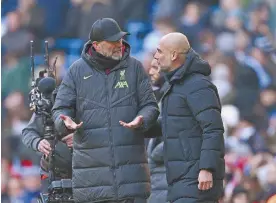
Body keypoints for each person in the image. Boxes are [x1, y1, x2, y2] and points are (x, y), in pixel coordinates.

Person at [52, 18, 159, 203]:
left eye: (120, 40)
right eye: (113, 42)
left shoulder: (134, 68)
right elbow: (60, 109)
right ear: (96, 45)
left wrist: (142, 118)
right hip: (92, 184)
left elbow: (150, 105)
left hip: (131, 181)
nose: (119, 45)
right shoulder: (76, 71)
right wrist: (65, 122)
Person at [151, 32, 225, 203]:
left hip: (196, 180)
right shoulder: (176, 85)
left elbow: (213, 129)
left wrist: (206, 168)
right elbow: (172, 123)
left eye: (160, 51)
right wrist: (142, 124)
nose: (156, 56)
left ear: (174, 55)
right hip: (181, 179)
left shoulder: (198, 85)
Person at [22, 86, 73, 193]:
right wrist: (38, 142)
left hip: (87, 166)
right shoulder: (48, 104)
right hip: (53, 170)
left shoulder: (85, 100)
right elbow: (28, 132)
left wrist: (79, 137)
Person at [147, 58, 167, 203]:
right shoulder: (160, 96)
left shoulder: (173, 96)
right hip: (156, 174)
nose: (150, 72)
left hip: (165, 172)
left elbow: (179, 134)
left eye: (155, 68)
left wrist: (154, 156)